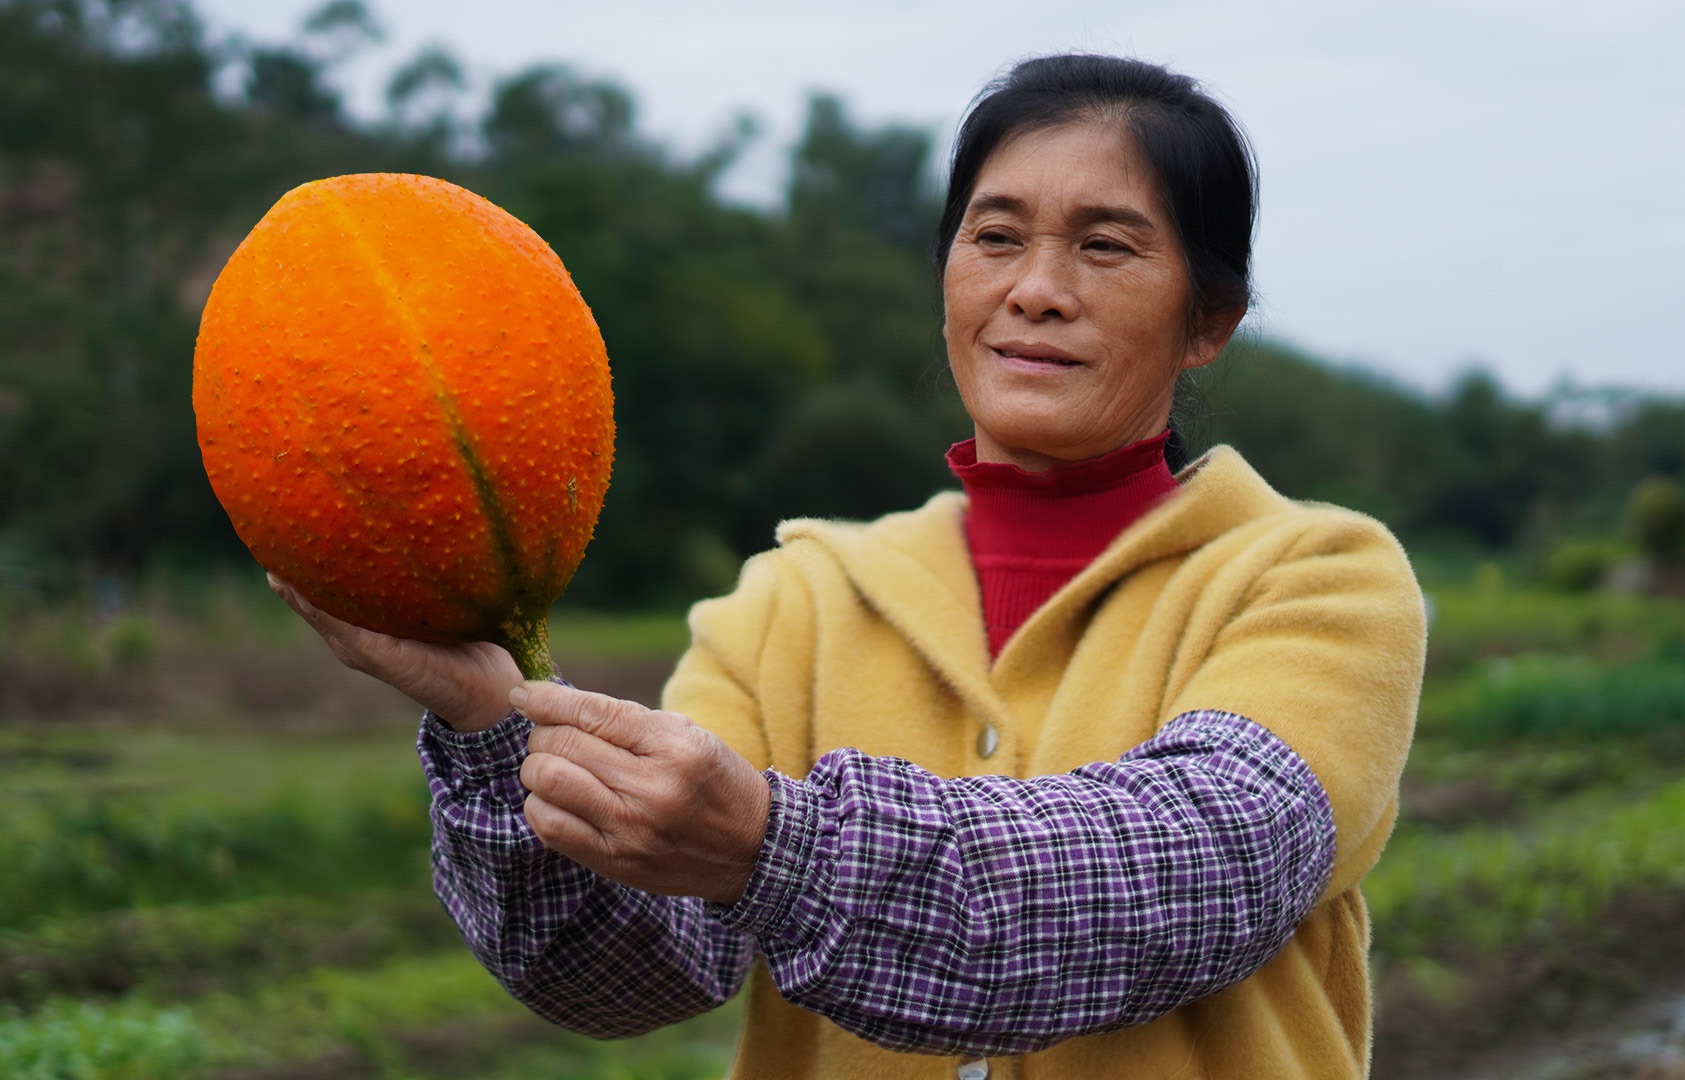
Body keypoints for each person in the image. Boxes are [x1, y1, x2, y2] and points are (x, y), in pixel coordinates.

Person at [272, 54, 1425, 1080]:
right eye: (996, 235)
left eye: (1106, 246)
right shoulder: (794, 601)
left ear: (1209, 318)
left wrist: (773, 843)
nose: (1035, 287)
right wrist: (494, 723)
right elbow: (632, 974)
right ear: (947, 281)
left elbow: (1188, 872)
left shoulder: (1320, 579)